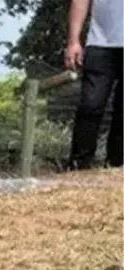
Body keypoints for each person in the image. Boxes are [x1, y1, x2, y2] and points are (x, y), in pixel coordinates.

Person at [65, 0, 123, 170]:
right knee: (90, 105)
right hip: (100, 43)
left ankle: (117, 166)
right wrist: (73, 41)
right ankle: (79, 165)